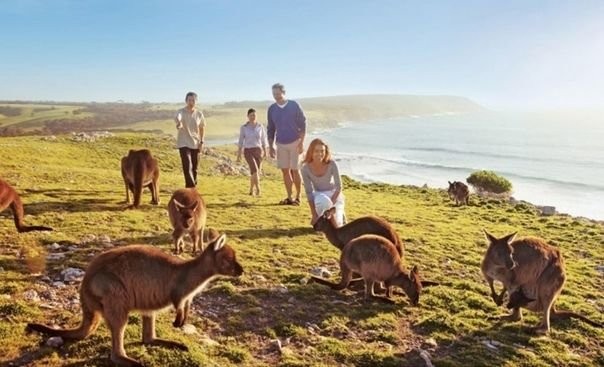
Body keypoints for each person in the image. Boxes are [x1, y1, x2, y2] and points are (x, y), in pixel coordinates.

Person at [267, 83, 306, 205]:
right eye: (274, 94)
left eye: (278, 94)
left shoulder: (294, 106)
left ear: (284, 93)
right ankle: (290, 197)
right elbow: (271, 128)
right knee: (285, 171)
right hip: (280, 143)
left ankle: (298, 196)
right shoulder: (272, 109)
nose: (276, 96)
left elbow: (303, 124)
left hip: (295, 142)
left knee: (295, 170)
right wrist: (271, 145)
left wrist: (301, 143)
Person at [301, 138, 345, 227]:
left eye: (322, 151)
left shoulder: (332, 164)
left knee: (338, 226)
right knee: (323, 201)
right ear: (311, 152)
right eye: (316, 151)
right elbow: (309, 192)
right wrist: (314, 215)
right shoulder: (305, 168)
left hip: (334, 196)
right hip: (319, 196)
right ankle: (324, 216)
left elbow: (339, 187)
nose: (320, 154)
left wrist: (331, 206)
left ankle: (339, 214)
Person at [174, 91, 205, 188]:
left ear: (196, 101)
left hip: (195, 143)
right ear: (186, 101)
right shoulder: (181, 111)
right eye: (189, 100)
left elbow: (202, 128)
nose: (191, 102)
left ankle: (193, 186)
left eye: (193, 100)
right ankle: (191, 188)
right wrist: (179, 123)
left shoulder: (199, 114)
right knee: (187, 166)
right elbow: (177, 117)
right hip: (183, 143)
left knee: (194, 168)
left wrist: (201, 141)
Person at [237, 108, 268, 196]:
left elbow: (263, 140)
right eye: (251, 115)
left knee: (254, 172)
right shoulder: (244, 128)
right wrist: (239, 153)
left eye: (254, 115)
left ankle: (251, 190)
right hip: (248, 151)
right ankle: (258, 189)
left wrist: (265, 151)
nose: (253, 117)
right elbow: (241, 140)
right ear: (247, 116)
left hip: (258, 151)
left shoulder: (260, 126)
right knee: (255, 170)